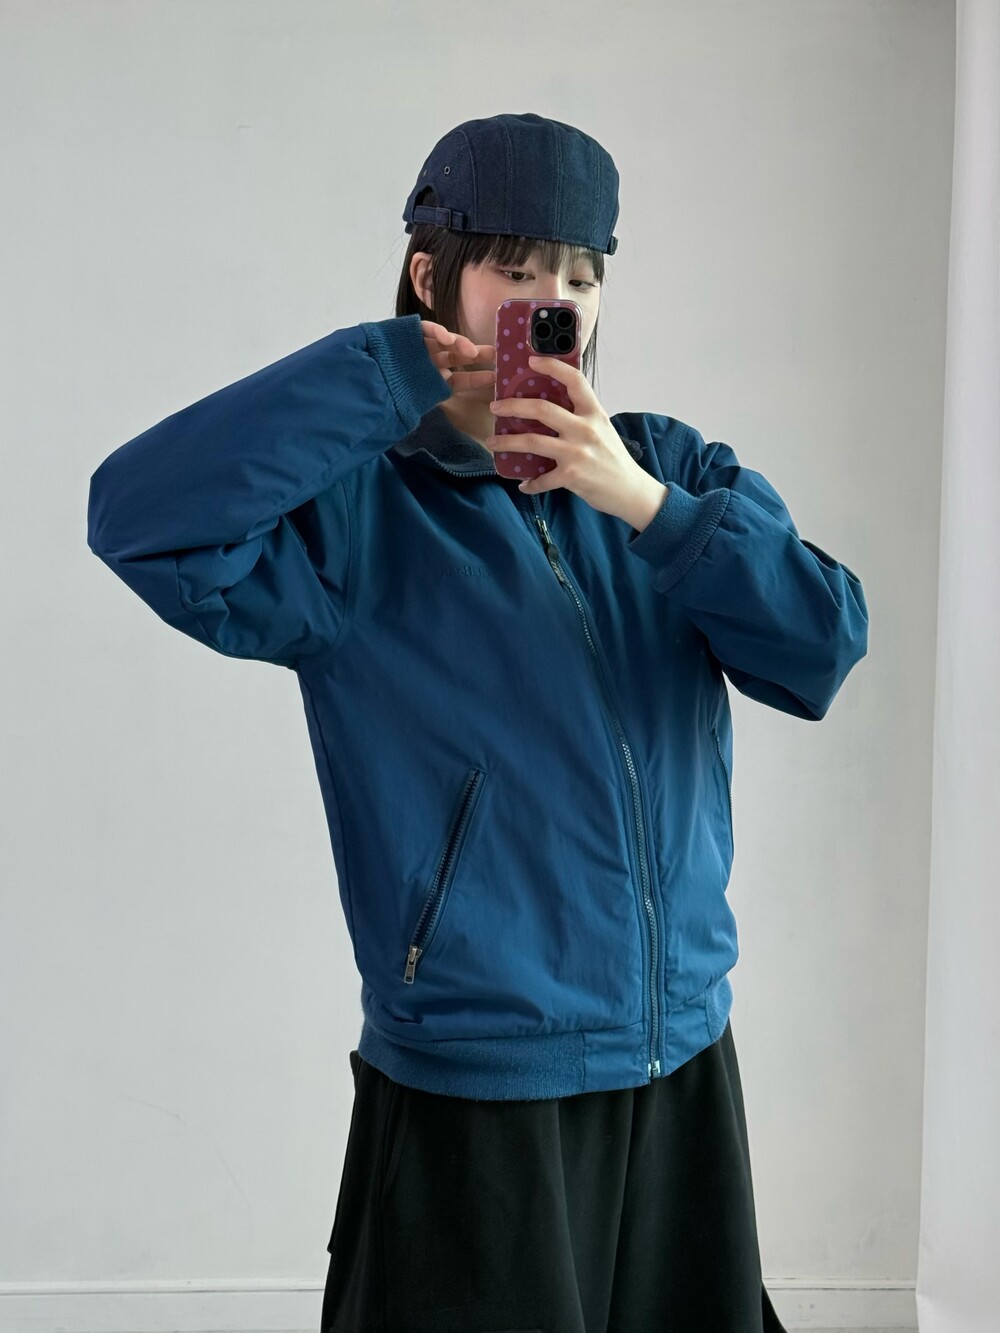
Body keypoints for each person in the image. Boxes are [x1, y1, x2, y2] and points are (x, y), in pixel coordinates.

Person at [86, 112, 868, 1332]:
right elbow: (139, 518)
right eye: (516, 269)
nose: (554, 304)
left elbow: (820, 647)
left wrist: (644, 506)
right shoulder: (360, 515)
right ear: (430, 274)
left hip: (679, 1057)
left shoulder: (670, 474)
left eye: (581, 277)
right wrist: (383, 376)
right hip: (482, 1077)